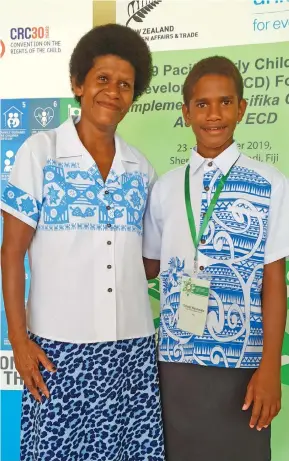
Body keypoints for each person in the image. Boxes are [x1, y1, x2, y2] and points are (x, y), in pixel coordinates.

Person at [1, 24, 164, 461]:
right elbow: (12, 251)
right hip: (57, 350)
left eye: (125, 84)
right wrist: (18, 341)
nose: (113, 91)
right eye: (103, 79)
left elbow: (146, 262)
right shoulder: (41, 152)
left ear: (134, 95)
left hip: (130, 349)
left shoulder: (140, 169)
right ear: (78, 84)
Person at [143, 56, 289, 461]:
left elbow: (274, 282)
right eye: (202, 104)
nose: (214, 115)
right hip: (176, 360)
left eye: (225, 103)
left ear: (241, 109)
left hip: (245, 364)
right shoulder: (166, 188)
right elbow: (147, 266)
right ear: (186, 112)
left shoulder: (271, 184)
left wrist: (270, 369)